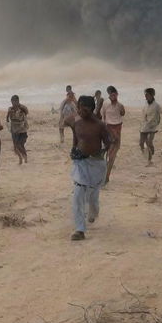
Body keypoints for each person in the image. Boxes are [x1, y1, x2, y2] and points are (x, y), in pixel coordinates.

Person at [64, 95, 111, 241]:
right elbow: (73, 131)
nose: (80, 111)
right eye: (79, 108)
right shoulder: (76, 121)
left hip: (96, 164)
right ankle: (80, 230)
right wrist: (74, 148)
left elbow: (108, 142)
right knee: (78, 194)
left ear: (91, 109)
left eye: (84, 109)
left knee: (92, 196)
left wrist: (100, 152)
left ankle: (94, 212)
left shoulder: (100, 125)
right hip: (81, 163)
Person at [102, 85, 125, 185]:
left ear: (117, 95)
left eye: (114, 94)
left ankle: (106, 178)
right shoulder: (105, 104)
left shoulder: (120, 105)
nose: (113, 96)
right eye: (111, 94)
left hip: (117, 131)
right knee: (104, 154)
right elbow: (103, 117)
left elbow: (122, 114)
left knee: (111, 156)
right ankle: (103, 176)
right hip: (107, 130)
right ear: (109, 95)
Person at [140, 88, 162, 166]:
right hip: (144, 126)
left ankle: (149, 161)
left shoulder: (157, 106)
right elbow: (143, 115)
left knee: (149, 142)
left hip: (152, 127)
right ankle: (149, 153)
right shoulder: (145, 105)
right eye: (145, 95)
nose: (146, 96)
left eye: (147, 95)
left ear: (152, 95)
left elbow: (159, 116)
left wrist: (156, 125)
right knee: (141, 143)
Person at [6, 95, 29, 165]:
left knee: (20, 145)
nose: (14, 103)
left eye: (15, 101)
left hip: (22, 130)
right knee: (15, 147)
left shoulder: (22, 108)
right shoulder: (10, 109)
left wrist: (20, 107)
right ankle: (20, 158)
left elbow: (27, 112)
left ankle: (25, 156)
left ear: (18, 101)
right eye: (12, 101)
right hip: (14, 130)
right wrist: (8, 114)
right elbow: (7, 118)